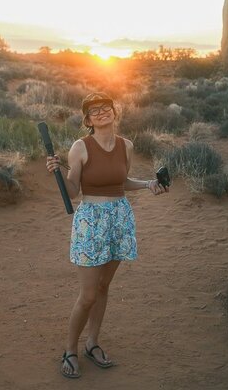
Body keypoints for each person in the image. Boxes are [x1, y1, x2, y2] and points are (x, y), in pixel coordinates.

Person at [46, 92, 169, 379]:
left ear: (114, 112)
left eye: (106, 108)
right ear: (87, 120)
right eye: (94, 111)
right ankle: (70, 349)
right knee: (88, 294)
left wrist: (149, 184)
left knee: (103, 288)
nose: (102, 113)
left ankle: (92, 343)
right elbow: (74, 191)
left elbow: (123, 181)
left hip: (120, 219)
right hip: (91, 222)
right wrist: (58, 173)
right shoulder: (80, 147)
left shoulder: (126, 145)